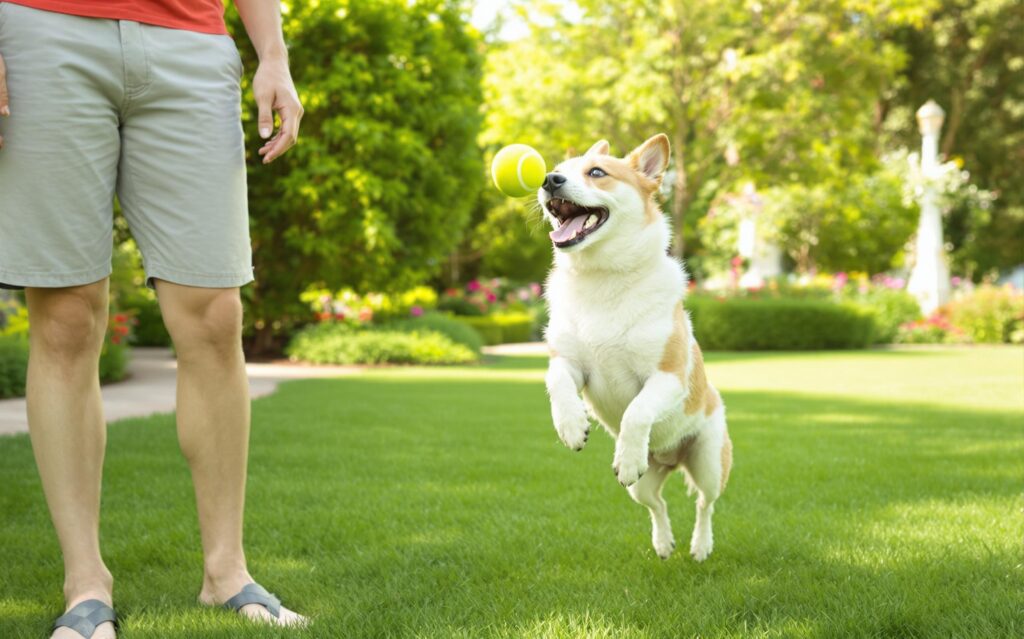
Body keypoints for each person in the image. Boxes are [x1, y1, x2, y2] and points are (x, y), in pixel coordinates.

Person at [0, 0, 304, 636]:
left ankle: (227, 572)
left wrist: (273, 54)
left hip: (190, 43)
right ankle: (85, 584)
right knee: (65, 318)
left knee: (216, 316)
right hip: (40, 30)